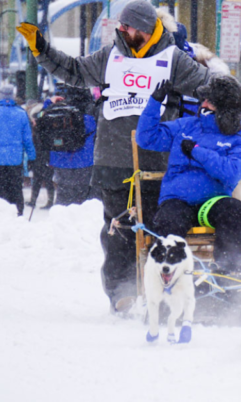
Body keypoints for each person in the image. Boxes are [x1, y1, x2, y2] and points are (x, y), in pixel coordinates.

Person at [16, 0, 211, 312]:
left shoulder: (172, 58)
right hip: (112, 158)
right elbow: (74, 71)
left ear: (146, 29)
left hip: (157, 162)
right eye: (121, 25)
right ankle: (121, 292)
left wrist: (227, 100)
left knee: (158, 229)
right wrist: (42, 49)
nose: (122, 30)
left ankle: (160, 293)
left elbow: (208, 85)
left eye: (128, 26)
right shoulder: (110, 55)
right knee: (119, 229)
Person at [136, 76, 241, 273]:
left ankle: (227, 274)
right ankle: (169, 280)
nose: (203, 103)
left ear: (224, 108)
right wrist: (154, 103)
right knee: (169, 220)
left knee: (235, 210)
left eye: (209, 100)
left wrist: (197, 151)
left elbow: (231, 173)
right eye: (204, 99)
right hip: (177, 200)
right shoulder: (185, 126)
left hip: (211, 204)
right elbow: (146, 138)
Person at [46, 86, 98, 206]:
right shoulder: (92, 113)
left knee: (63, 196)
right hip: (85, 160)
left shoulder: (58, 111)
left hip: (61, 160)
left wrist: (49, 102)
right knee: (84, 197)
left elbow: (41, 120)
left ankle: (61, 218)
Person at [0, 85, 35, 216]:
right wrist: (32, 157)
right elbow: (27, 140)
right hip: (15, 160)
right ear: (12, 96)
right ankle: (18, 213)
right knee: (15, 188)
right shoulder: (21, 114)